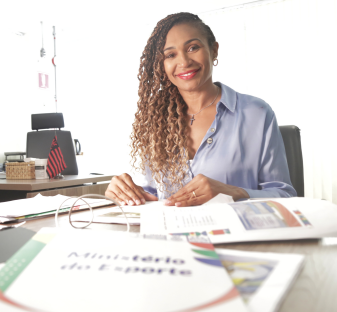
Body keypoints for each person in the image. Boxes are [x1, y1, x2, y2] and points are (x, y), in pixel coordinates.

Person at [105, 12, 297, 207]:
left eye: (193, 48)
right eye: (171, 55)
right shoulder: (156, 122)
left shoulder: (257, 113)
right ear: (161, 66)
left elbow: (285, 195)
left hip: (236, 234)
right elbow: (154, 196)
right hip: (171, 235)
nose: (184, 62)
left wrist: (233, 192)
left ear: (214, 50)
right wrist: (126, 194)